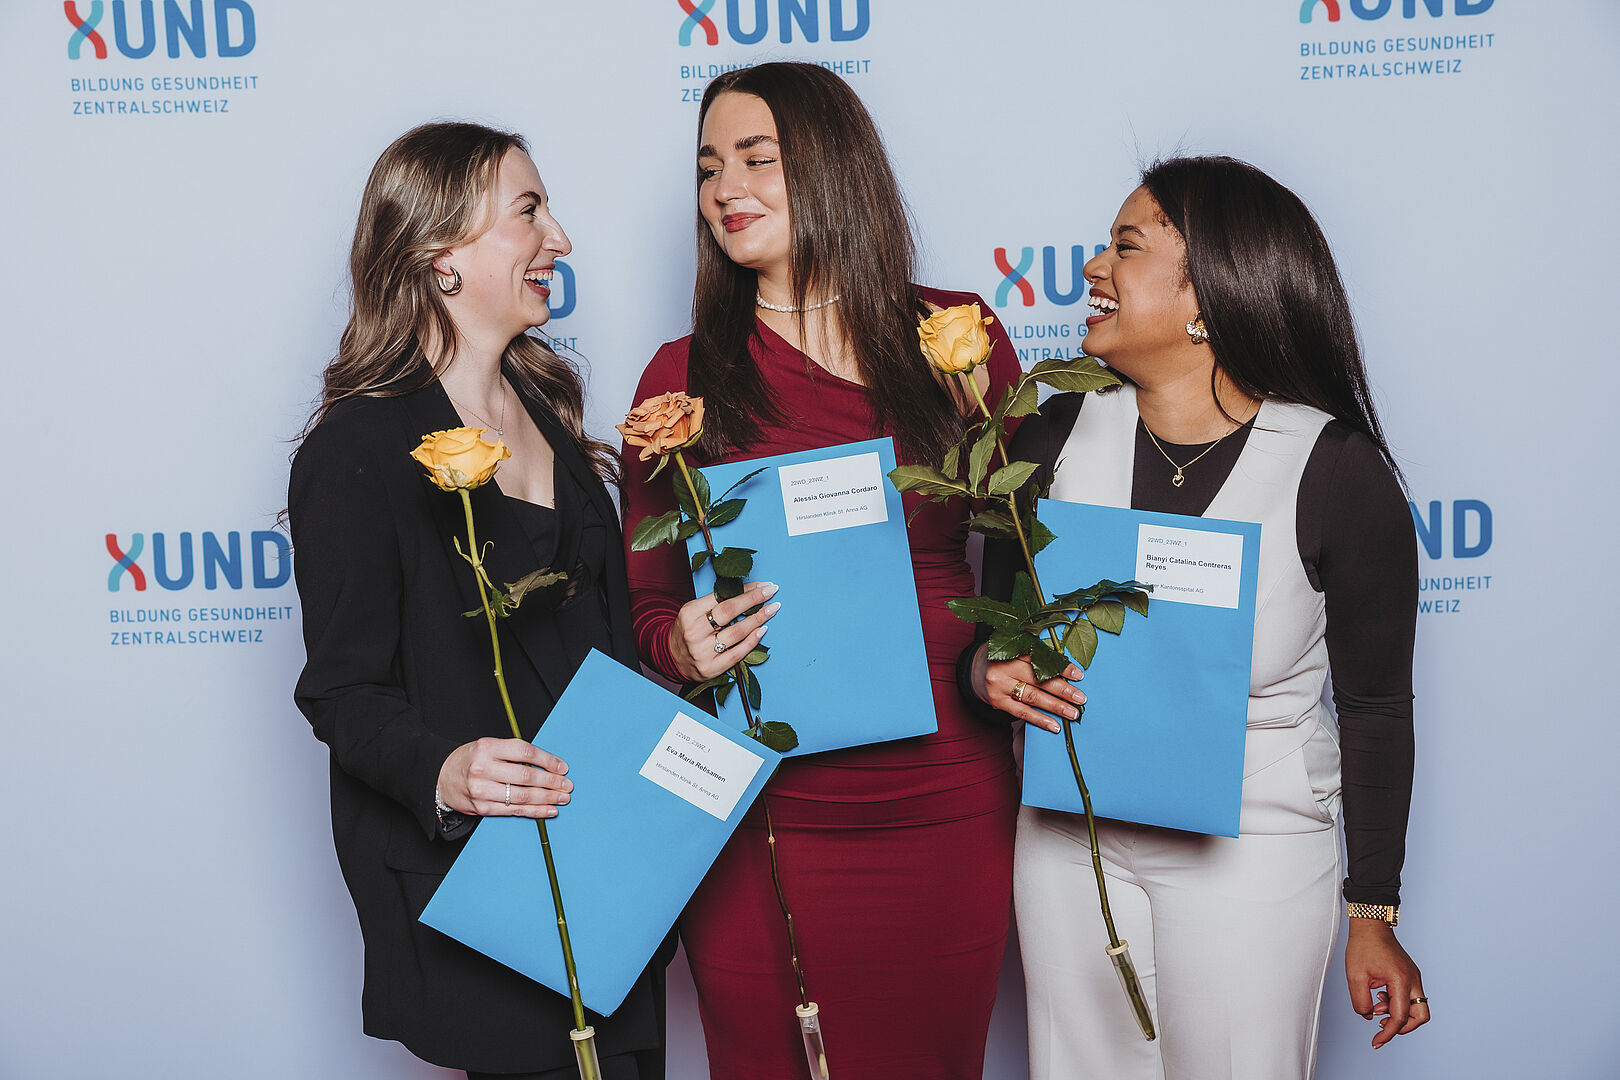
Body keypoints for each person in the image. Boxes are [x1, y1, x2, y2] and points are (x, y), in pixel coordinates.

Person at [964, 156, 1429, 1080]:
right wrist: (990, 675)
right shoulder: (1049, 439)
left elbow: (1376, 707)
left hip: (1254, 849)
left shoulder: (1334, 470)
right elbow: (995, 644)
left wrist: (1373, 911)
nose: (1093, 268)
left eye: (1127, 247)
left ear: (1206, 298)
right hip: (1067, 842)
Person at [621, 63, 1020, 1078]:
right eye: (709, 167)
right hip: (764, 814)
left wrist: (1005, 658)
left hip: (944, 795)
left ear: (834, 166)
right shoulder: (680, 377)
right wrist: (680, 646)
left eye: (757, 159)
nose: (726, 189)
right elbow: (646, 597)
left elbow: (1025, 545)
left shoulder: (954, 336)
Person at [289, 122, 664, 1080]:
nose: (560, 240)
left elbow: (599, 650)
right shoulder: (357, 449)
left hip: (610, 880)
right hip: (483, 896)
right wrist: (446, 770)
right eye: (528, 211)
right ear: (440, 256)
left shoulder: (549, 415)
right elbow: (343, 692)